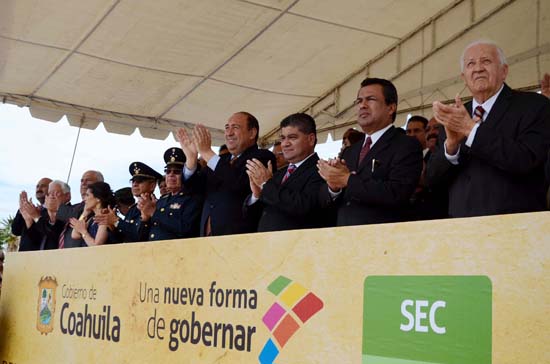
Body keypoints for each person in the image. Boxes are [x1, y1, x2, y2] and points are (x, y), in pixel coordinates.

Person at [426, 40, 550, 217]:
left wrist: (471, 130)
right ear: (464, 77)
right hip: (461, 228)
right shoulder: (456, 114)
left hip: (516, 226)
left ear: (504, 71)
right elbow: (432, 180)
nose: (478, 68)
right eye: (471, 64)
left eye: (486, 61)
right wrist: (451, 147)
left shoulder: (534, 106)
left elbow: (526, 159)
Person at [318, 77, 423, 226]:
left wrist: (347, 179)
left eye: (370, 99)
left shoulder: (406, 145)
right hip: (344, 238)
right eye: (359, 101)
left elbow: (397, 193)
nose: (362, 105)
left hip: (382, 239)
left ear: (391, 108)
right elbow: (325, 201)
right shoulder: (350, 151)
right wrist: (333, 187)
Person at [176, 112, 276, 236]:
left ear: (252, 133)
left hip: (239, 237)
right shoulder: (220, 160)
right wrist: (191, 161)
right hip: (207, 236)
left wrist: (207, 152)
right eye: (227, 128)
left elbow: (237, 183)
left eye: (235, 127)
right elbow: (192, 189)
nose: (229, 133)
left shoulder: (262, 156)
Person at [245, 113, 331, 231]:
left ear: (311, 139)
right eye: (283, 138)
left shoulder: (322, 170)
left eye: (292, 137)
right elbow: (257, 216)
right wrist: (257, 195)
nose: (285, 144)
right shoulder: (278, 174)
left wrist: (266, 184)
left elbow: (304, 207)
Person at [137, 148, 202, 241]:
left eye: (177, 172)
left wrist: (153, 212)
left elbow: (185, 229)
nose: (171, 175)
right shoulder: (161, 201)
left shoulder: (193, 198)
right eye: (168, 171)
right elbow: (141, 238)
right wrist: (145, 218)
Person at [57, 170, 104, 248]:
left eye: (88, 180)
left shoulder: (104, 215)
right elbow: (74, 234)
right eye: (82, 181)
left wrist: (84, 232)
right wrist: (85, 213)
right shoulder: (89, 215)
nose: (83, 183)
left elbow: (97, 246)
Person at [69, 182, 116, 246]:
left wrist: (84, 232)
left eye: (87, 195)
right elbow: (75, 235)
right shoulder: (92, 219)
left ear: (98, 199)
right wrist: (84, 213)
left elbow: (96, 245)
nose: (84, 199)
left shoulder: (105, 218)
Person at [11, 177, 51, 251]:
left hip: (40, 257)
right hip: (22, 256)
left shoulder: (53, 211)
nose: (39, 189)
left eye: (43, 186)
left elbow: (41, 237)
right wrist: (22, 210)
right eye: (37, 186)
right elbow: (15, 231)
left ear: (51, 189)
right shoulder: (30, 209)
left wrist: (33, 218)